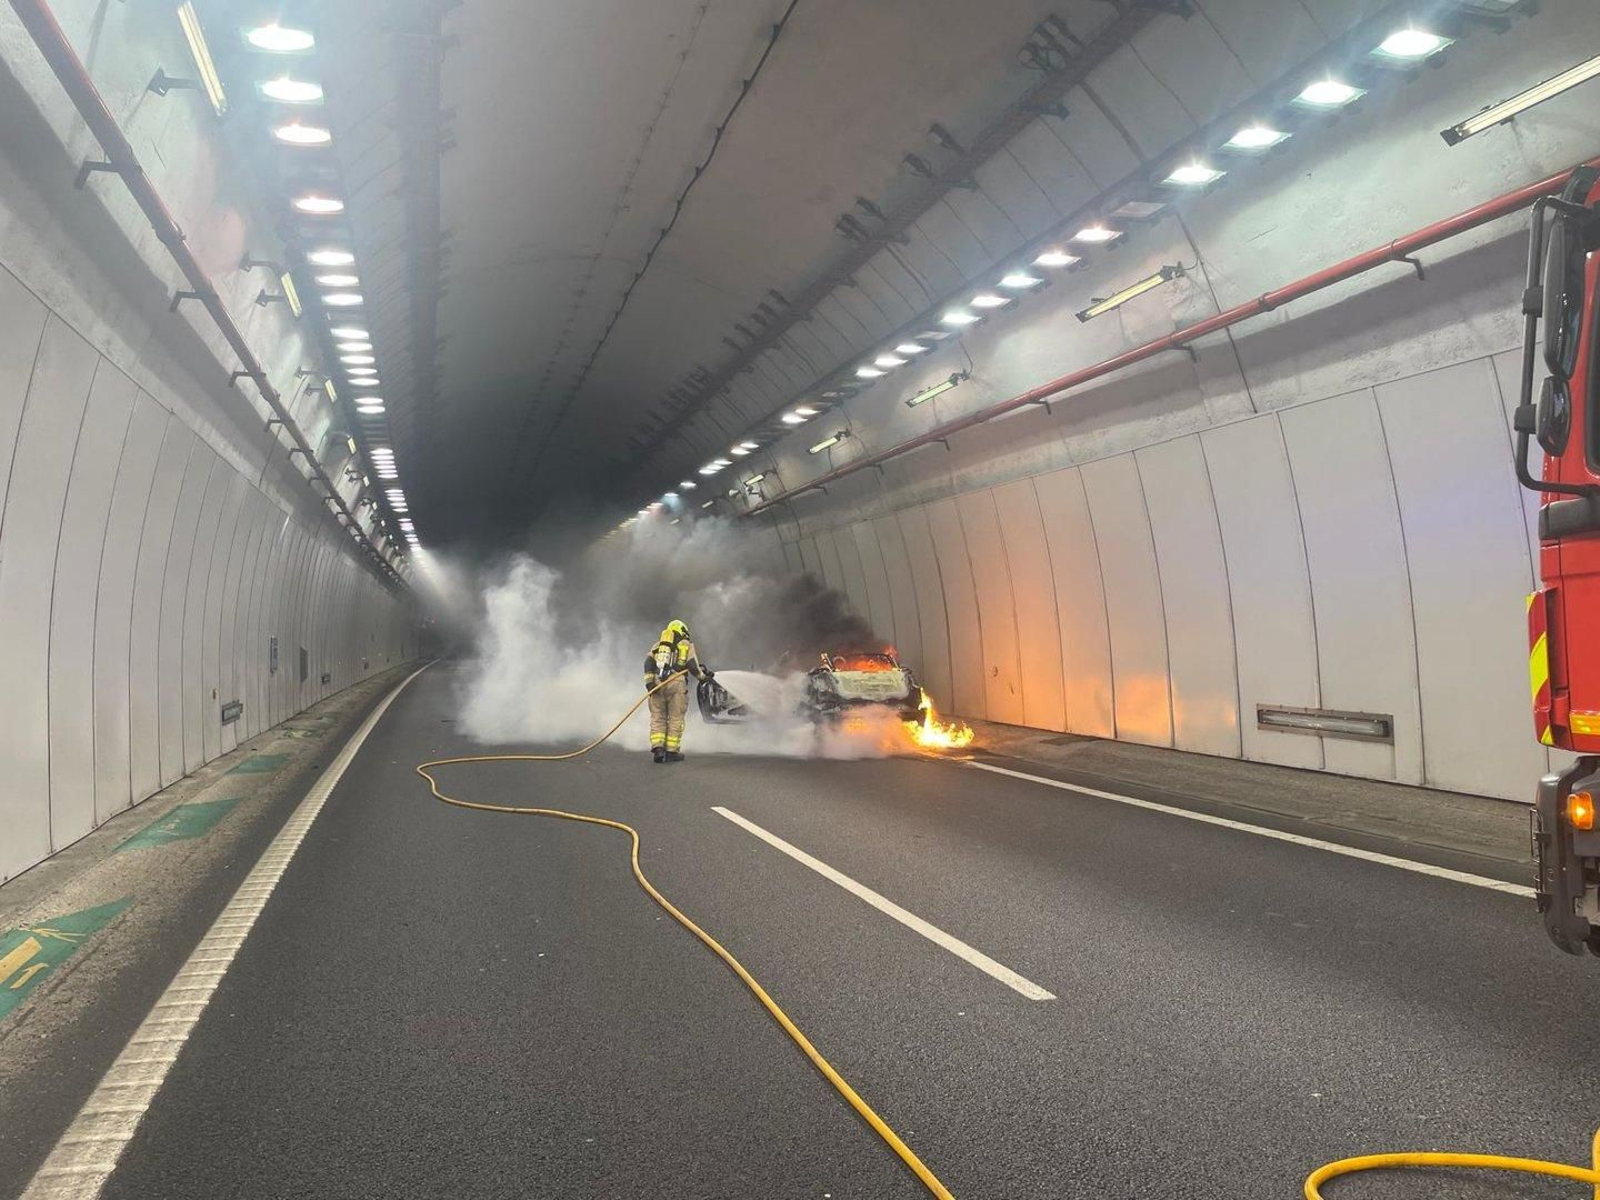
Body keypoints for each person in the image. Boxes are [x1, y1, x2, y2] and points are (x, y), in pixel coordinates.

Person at [643, 619, 713, 763]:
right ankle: (671, 752)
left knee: (658, 717)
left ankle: (658, 749)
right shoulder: (686, 645)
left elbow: (648, 664)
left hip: (657, 684)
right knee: (675, 718)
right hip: (676, 683)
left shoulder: (657, 646)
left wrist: (649, 683)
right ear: (683, 631)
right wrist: (703, 678)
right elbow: (692, 665)